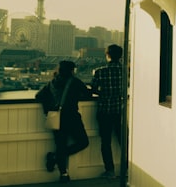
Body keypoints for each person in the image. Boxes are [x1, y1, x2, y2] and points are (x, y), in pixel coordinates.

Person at [36, 60, 91, 183]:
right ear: (72, 70)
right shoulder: (74, 82)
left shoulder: (52, 83)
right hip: (72, 117)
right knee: (83, 142)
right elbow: (88, 95)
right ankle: (54, 157)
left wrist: (48, 110)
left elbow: (39, 96)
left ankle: (64, 174)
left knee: (60, 145)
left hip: (56, 118)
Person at [91, 44, 125, 179]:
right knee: (123, 141)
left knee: (106, 142)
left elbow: (93, 89)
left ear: (107, 55)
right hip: (119, 110)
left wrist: (103, 93)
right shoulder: (125, 71)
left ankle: (110, 171)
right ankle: (127, 169)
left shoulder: (99, 71)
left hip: (104, 110)